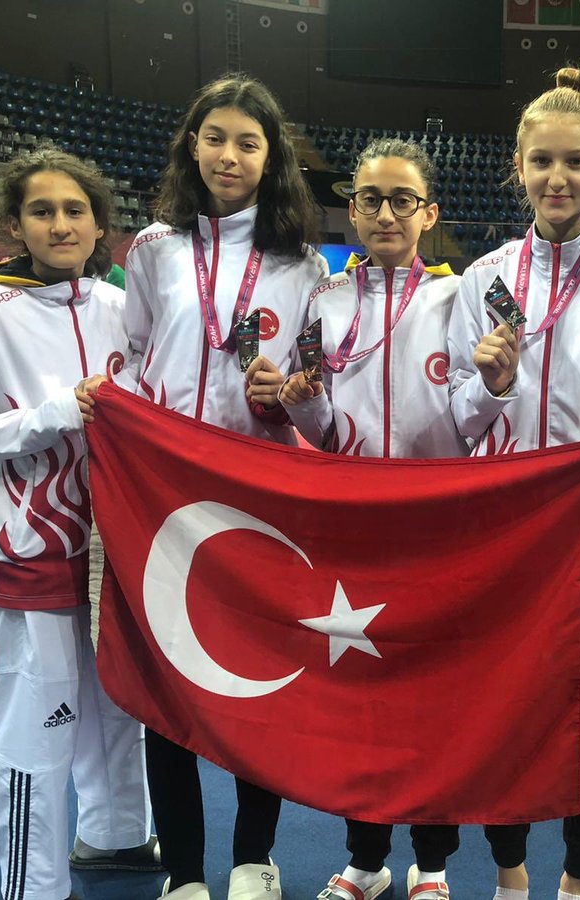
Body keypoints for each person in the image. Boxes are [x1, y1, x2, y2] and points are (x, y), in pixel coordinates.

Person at [0, 146, 158, 900]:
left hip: (120, 545)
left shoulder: (122, 308)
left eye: (75, 210)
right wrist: (50, 417)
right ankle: (34, 884)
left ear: (99, 224)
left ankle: (117, 835)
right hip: (33, 546)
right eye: (42, 211)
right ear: (15, 224)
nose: (60, 225)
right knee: (39, 724)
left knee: (119, 703)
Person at [446, 66, 580, 900]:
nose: (557, 178)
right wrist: (490, 386)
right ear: (519, 167)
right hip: (502, 551)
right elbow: (459, 423)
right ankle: (510, 878)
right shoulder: (482, 280)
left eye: (575, 161)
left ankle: (578, 882)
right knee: (503, 725)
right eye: (541, 161)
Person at [119, 74, 328, 900]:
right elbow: (136, 359)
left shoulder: (301, 265)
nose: (229, 156)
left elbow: (312, 388)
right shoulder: (151, 249)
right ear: (192, 145)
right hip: (162, 498)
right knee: (166, 682)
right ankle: (183, 872)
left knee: (255, 683)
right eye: (215, 138)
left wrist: (283, 399)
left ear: (271, 157)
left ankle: (252, 859)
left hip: (257, 498)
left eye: (248, 142)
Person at [271, 137, 467, 900]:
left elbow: (475, 420)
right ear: (351, 211)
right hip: (351, 531)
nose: (387, 214)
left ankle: (434, 865)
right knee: (359, 703)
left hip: (433, 534)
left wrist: (495, 385)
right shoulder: (324, 302)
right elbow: (321, 432)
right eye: (372, 200)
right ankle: (365, 859)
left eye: (403, 200)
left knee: (434, 703)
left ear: (429, 213)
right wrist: (304, 404)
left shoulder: (457, 298)